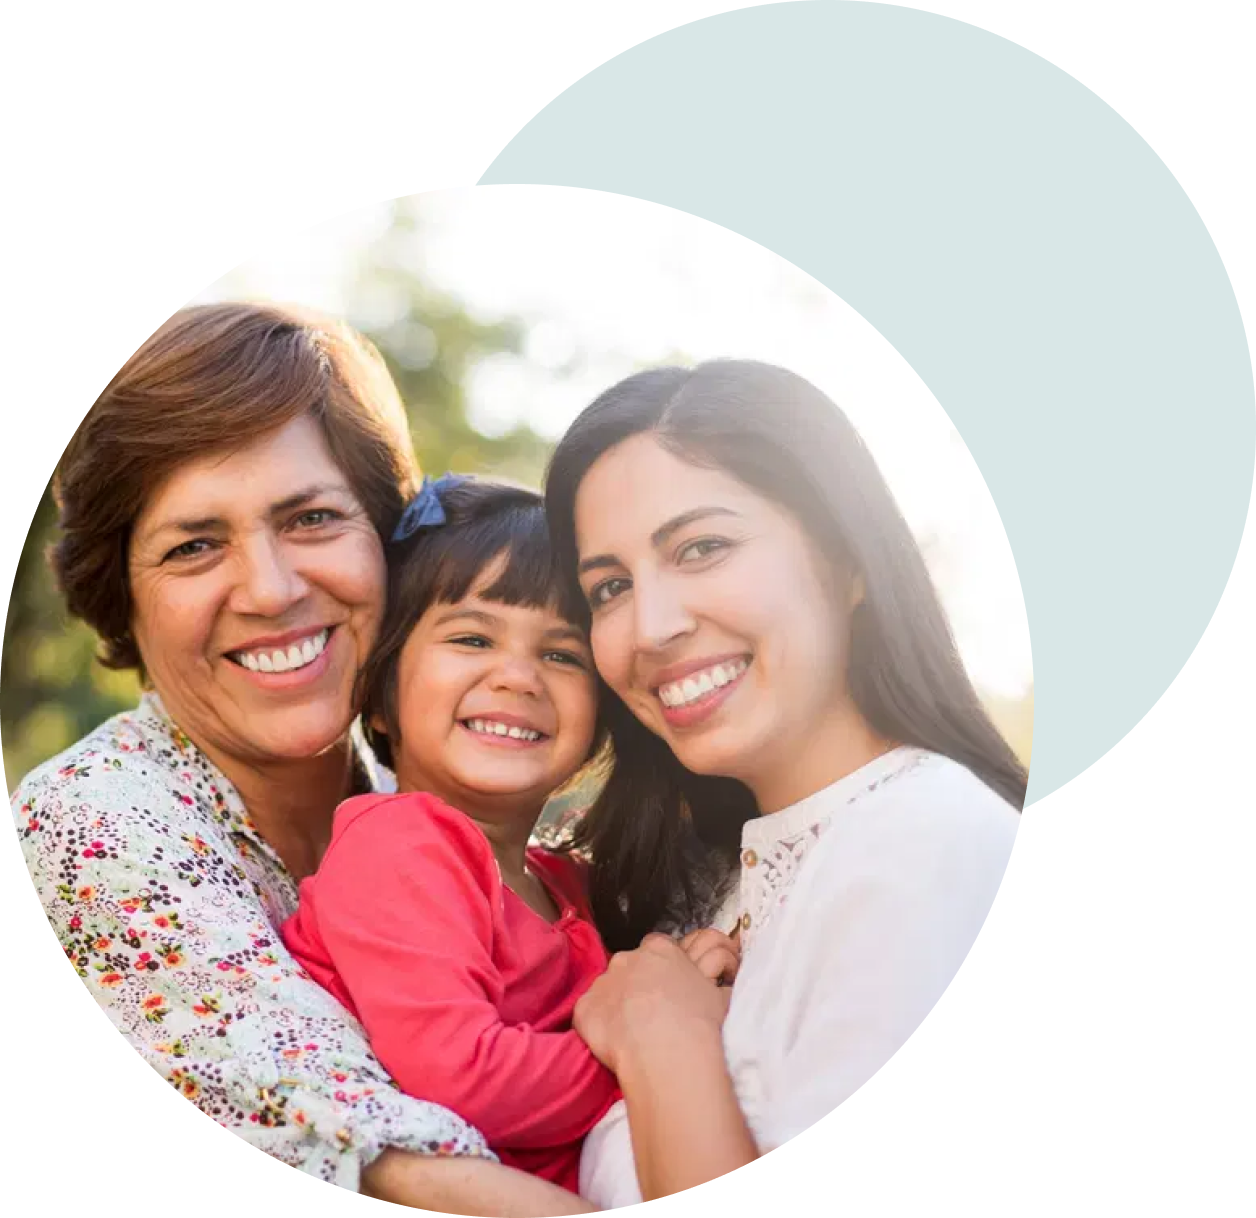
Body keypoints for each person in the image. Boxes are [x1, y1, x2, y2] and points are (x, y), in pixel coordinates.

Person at [12, 302, 597, 1214]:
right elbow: (383, 1159)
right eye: (195, 545)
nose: (273, 588)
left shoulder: (432, 799)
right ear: (122, 596)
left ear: (390, 547)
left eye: (313, 517)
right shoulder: (96, 821)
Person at [541, 359, 1026, 1205]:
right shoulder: (704, 885)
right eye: (609, 587)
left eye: (703, 547)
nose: (650, 627)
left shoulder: (933, 842)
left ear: (848, 559)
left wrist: (663, 1038)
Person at [279, 475, 624, 1194]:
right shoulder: (401, 846)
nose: (519, 677)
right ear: (379, 699)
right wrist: (649, 1050)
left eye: (563, 654)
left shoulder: (567, 881)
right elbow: (462, 1077)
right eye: (472, 637)